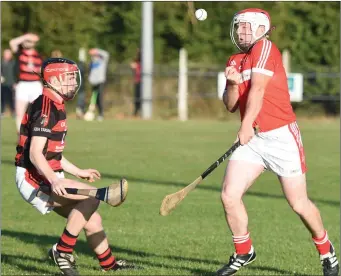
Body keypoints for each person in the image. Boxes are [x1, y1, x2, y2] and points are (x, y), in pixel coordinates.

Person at [216, 8, 339, 276]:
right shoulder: (235, 60)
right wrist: (233, 84)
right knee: (229, 195)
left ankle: (326, 250)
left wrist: (246, 124)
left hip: (281, 136)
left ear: (261, 29)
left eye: (246, 27)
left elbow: (259, 88)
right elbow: (230, 105)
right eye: (238, 27)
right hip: (253, 140)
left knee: (298, 204)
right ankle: (243, 252)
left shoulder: (265, 48)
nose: (241, 32)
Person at [14, 57, 137, 276]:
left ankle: (109, 264)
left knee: (92, 217)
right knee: (91, 199)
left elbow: (53, 154)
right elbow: (34, 153)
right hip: (33, 177)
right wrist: (54, 179)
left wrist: (78, 171)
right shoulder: (45, 107)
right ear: (55, 79)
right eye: (69, 78)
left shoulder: (56, 104)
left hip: (45, 173)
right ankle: (62, 251)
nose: (73, 83)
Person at [10, 33, 43, 134]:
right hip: (23, 84)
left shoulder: (38, 55)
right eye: (25, 41)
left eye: (29, 41)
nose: (26, 43)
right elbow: (12, 42)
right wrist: (26, 36)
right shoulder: (20, 53)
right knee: (20, 112)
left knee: (38, 112)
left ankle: (35, 133)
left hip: (36, 84)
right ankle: (21, 135)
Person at [87, 48, 109, 121]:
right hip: (93, 82)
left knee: (100, 98)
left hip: (100, 81)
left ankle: (101, 114)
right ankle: (94, 113)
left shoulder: (102, 60)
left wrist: (97, 50)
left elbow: (106, 54)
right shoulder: (92, 62)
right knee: (94, 99)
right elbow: (91, 72)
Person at [1, 49, 16, 117]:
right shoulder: (1, 63)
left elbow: (16, 74)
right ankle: (2, 112)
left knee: (12, 99)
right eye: (6, 54)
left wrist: (15, 83)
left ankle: (13, 112)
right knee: (2, 99)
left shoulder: (14, 63)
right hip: (3, 84)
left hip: (12, 84)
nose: (7, 55)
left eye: (9, 54)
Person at [75, 48, 87, 119]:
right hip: (80, 85)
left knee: (82, 97)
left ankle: (80, 110)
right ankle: (80, 110)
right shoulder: (81, 65)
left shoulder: (78, 64)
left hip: (80, 84)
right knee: (81, 97)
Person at [130, 48, 142, 117]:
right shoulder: (136, 62)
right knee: (137, 97)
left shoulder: (144, 62)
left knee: (140, 97)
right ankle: (136, 111)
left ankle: (138, 111)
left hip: (142, 83)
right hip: (137, 81)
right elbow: (132, 66)